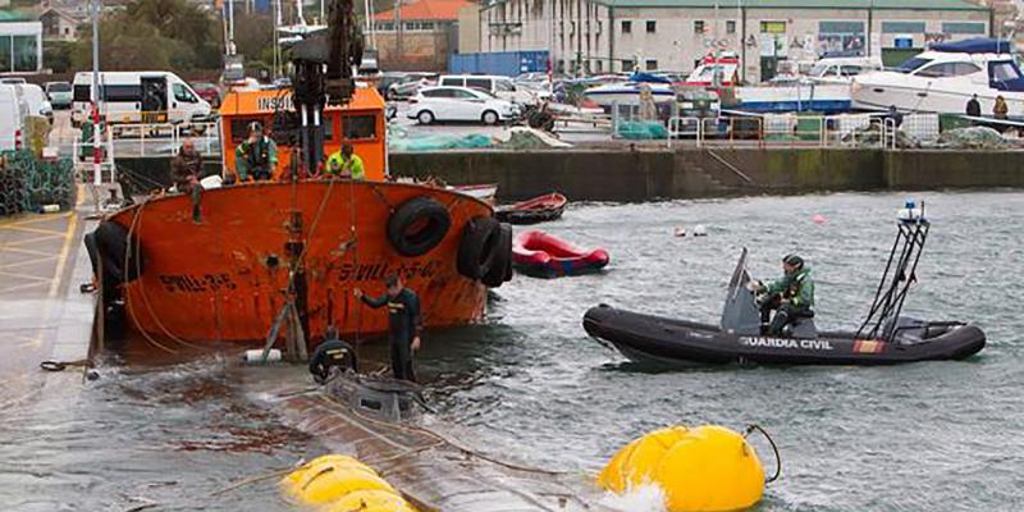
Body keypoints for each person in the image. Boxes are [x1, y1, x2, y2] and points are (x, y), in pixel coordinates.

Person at [354, 273, 422, 382]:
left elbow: (417, 318)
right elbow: (376, 304)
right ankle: (398, 388)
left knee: (406, 364)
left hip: (406, 336)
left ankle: (413, 389)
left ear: (398, 286)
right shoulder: (390, 296)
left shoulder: (410, 297)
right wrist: (362, 296)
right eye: (389, 291)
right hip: (394, 336)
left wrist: (417, 337)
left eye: (392, 290)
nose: (390, 293)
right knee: (396, 364)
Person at [754, 254, 815, 336]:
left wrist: (789, 301)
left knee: (783, 309)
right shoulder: (791, 277)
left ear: (796, 266)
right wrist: (763, 288)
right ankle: (764, 327)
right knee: (767, 302)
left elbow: (805, 299)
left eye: (786, 266)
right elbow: (779, 285)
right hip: (790, 303)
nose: (784, 268)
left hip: (801, 307)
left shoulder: (806, 281)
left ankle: (773, 332)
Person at [171, 139, 203, 221]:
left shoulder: (197, 156)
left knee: (199, 187)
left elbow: (203, 170)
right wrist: (186, 179)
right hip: (183, 184)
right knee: (196, 187)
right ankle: (196, 210)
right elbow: (173, 177)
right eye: (188, 147)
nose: (190, 150)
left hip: (196, 181)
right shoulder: (177, 160)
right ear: (184, 147)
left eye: (191, 147)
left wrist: (196, 177)